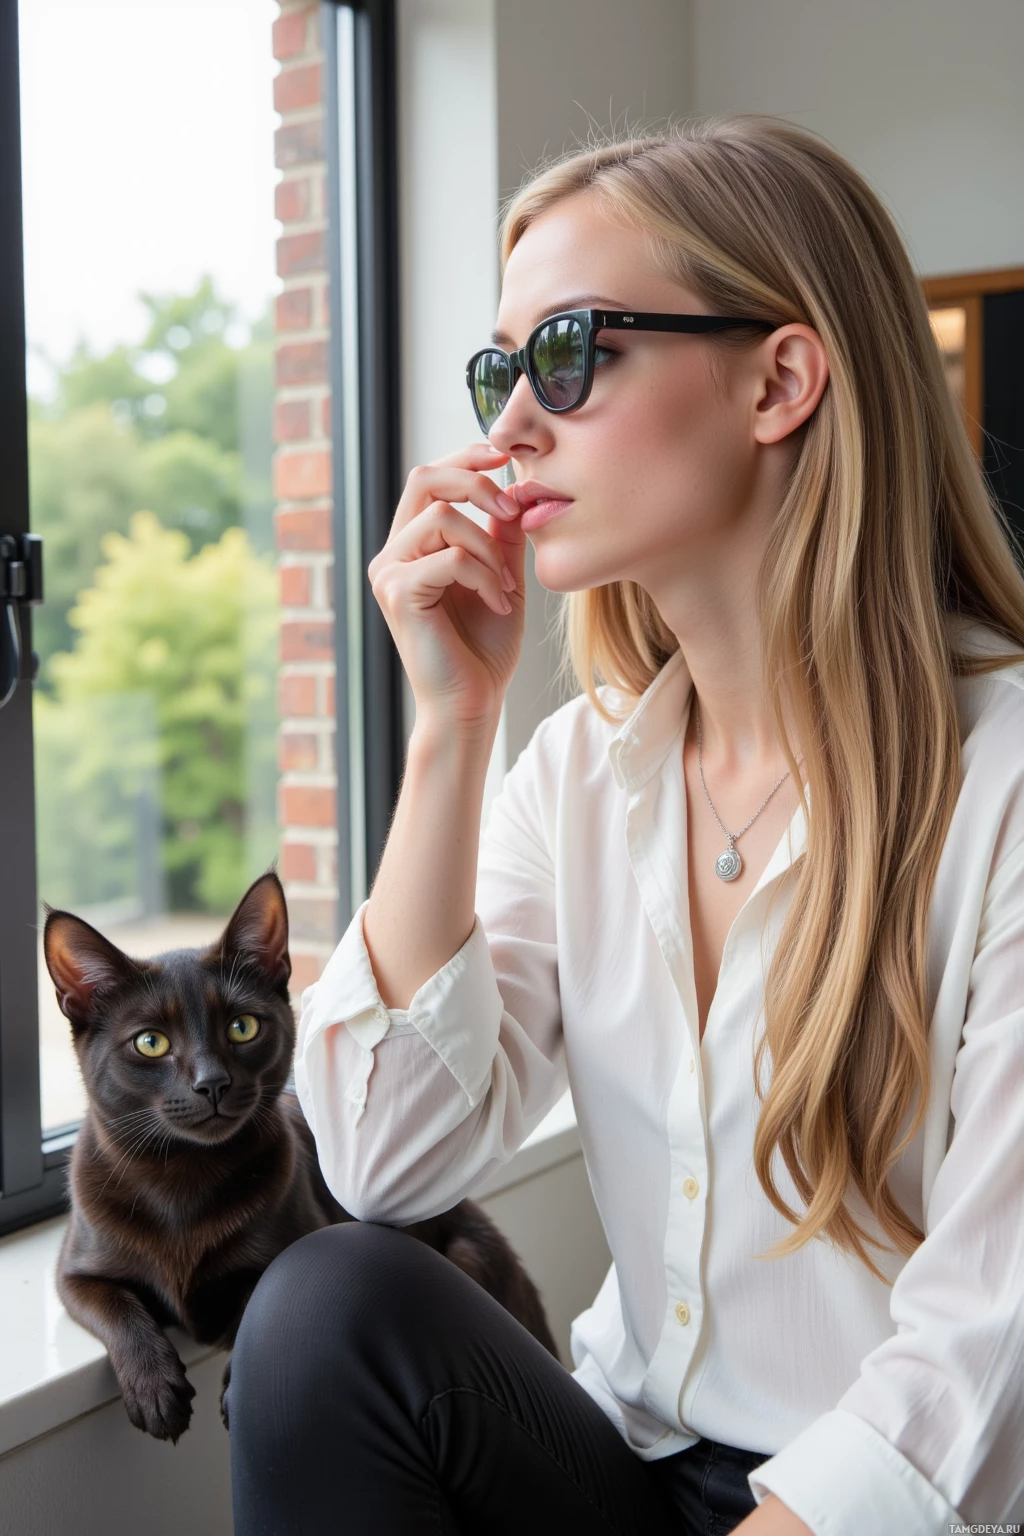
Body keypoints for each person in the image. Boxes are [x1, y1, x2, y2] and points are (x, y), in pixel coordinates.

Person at [226, 115, 1024, 1534]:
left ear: (781, 380)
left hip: (893, 1510)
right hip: (628, 1471)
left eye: (570, 355)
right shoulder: (576, 771)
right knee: (329, 1306)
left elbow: (984, 1354)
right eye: (499, 371)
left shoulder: (1005, 782)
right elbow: (383, 1158)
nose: (508, 428)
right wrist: (449, 725)